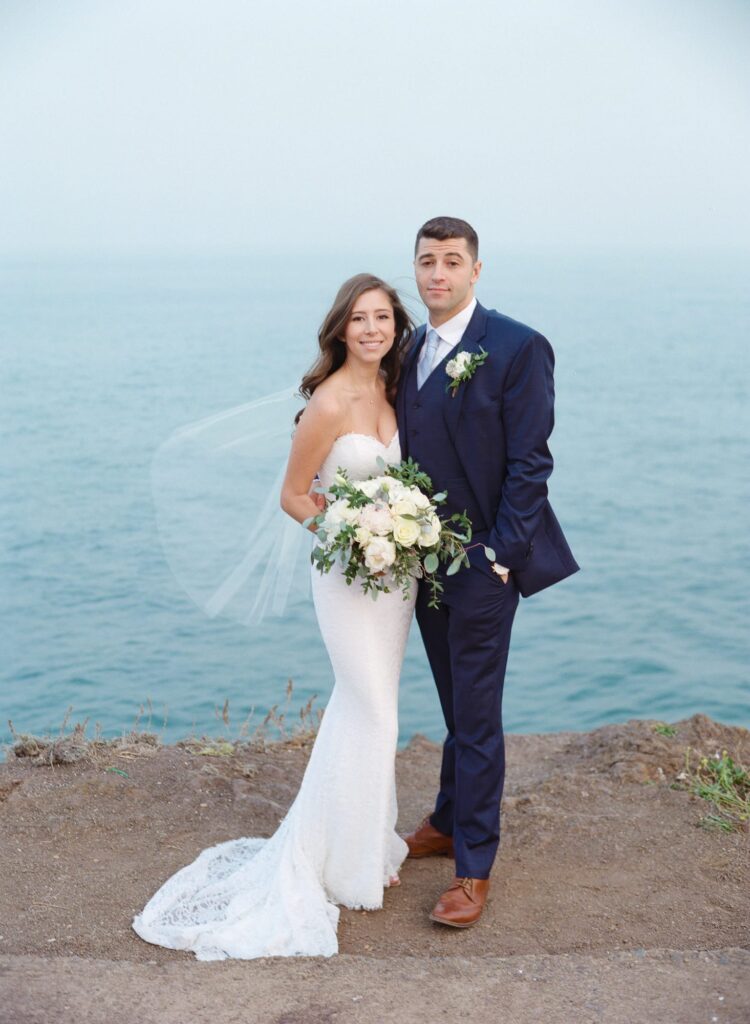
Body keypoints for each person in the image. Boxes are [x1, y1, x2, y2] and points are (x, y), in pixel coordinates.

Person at [132, 273, 416, 960]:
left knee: (375, 708)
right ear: (340, 331)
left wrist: (398, 534)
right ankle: (339, 867)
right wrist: (352, 538)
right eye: (359, 320)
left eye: (382, 318)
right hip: (349, 577)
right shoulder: (327, 402)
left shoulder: (396, 390)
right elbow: (295, 497)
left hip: (397, 579)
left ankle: (367, 844)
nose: (372, 329)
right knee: (371, 707)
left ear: (396, 326)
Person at [398, 216, 579, 928]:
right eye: (425, 262)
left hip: (481, 568)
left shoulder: (515, 346)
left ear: (476, 270)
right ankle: (446, 819)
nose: (437, 274)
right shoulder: (411, 346)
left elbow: (532, 461)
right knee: (454, 702)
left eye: (450, 261)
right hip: (420, 563)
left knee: (476, 716)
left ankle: (473, 869)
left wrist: (500, 555)